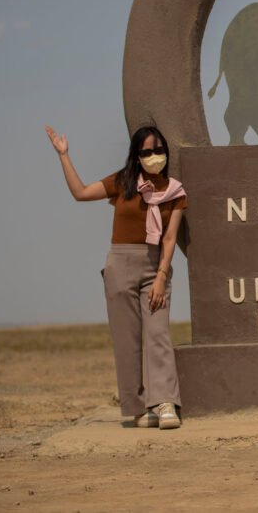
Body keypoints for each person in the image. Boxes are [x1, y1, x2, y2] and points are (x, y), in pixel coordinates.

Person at [45, 124, 187, 429]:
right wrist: (64, 155)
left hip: (155, 266)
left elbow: (169, 238)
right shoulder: (123, 182)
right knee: (127, 340)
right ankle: (138, 409)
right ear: (136, 155)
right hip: (120, 264)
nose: (154, 156)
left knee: (158, 334)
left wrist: (161, 276)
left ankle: (165, 403)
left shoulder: (174, 191)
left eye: (159, 150)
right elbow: (81, 193)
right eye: (147, 151)